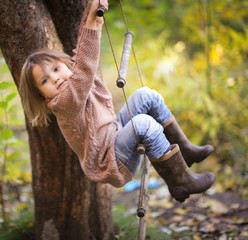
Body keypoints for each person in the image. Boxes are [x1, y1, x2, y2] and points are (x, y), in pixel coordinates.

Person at [19, 0, 215, 202]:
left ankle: (184, 151)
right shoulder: (65, 103)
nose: (55, 78)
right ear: (43, 97)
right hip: (112, 163)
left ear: (68, 65)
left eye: (56, 69)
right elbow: (86, 64)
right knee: (144, 124)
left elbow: (82, 52)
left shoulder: (74, 82)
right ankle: (180, 181)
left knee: (145, 95)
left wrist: (92, 15)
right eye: (45, 81)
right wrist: (93, 24)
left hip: (115, 135)